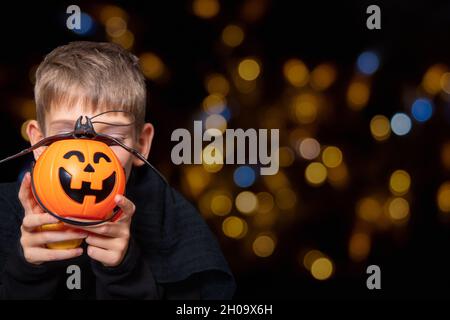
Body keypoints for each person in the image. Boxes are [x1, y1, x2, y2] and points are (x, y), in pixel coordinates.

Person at [0, 41, 235, 299]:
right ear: (37, 142)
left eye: (111, 140)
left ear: (142, 145)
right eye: (68, 135)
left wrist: (125, 272)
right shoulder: (5, 209)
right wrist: (27, 270)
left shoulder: (169, 218)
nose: (87, 158)